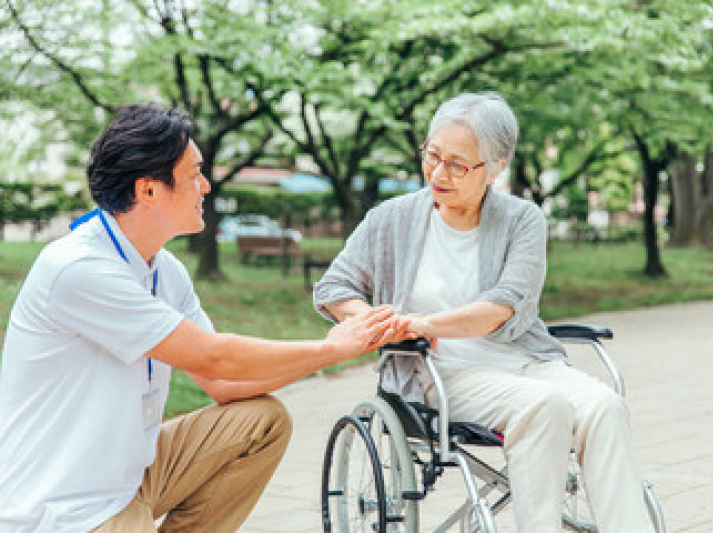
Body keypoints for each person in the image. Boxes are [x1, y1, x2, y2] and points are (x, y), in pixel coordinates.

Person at [0, 103, 399, 533]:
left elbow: (224, 384)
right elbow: (216, 358)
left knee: (260, 422)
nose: (207, 186)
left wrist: (338, 347)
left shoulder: (164, 269)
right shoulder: (78, 268)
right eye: (195, 174)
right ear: (149, 190)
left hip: (132, 476)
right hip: (64, 506)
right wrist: (332, 348)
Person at [314, 92, 656, 533]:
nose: (439, 172)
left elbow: (503, 306)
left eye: (458, 164)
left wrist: (423, 322)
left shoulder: (522, 220)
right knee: (545, 407)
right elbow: (333, 288)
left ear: (495, 168)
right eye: (433, 155)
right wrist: (376, 321)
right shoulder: (391, 219)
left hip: (527, 363)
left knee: (606, 406)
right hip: (440, 374)